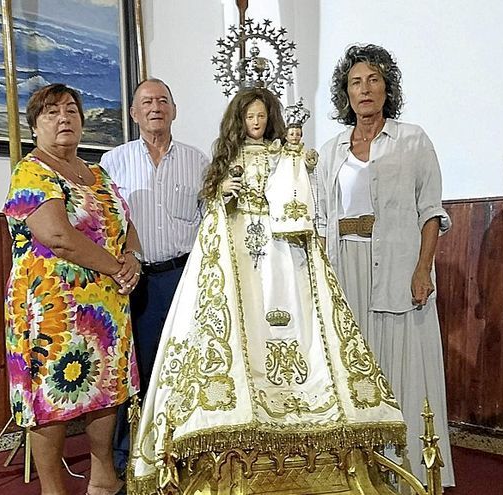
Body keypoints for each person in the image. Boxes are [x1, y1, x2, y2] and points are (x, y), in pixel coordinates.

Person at [127, 87, 406, 494]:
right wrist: (223, 194)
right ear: (238, 121)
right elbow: (214, 202)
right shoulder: (226, 158)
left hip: (282, 249)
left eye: (262, 116)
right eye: (249, 117)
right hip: (240, 251)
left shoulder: (278, 153)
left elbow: (299, 177)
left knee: (293, 317)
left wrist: (294, 152)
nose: (256, 123)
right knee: (241, 325)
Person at [316, 44, 456, 487]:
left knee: (401, 368)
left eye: (373, 79)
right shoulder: (330, 149)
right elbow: (321, 219)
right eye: (356, 82)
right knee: (354, 369)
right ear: (347, 93)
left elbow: (430, 211)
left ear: (387, 87)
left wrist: (422, 269)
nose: (365, 89)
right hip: (345, 266)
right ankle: (360, 472)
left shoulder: (412, 139)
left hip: (397, 266)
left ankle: (409, 472)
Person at [2, 83, 139, 495]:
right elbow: (57, 235)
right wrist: (117, 267)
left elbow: (125, 224)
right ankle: (53, 489)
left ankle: (103, 479)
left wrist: (132, 258)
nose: (64, 119)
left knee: (106, 388)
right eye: (52, 113)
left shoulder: (97, 172)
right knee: (52, 397)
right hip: (51, 307)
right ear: (35, 126)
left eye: (71, 112)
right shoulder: (31, 172)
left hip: (105, 306)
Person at [99, 78, 208, 471]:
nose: (155, 107)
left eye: (163, 100)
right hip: (134, 282)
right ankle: (131, 458)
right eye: (146, 102)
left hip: (185, 278)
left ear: (175, 110)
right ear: (133, 114)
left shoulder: (198, 161)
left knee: (186, 365)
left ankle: (186, 450)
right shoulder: (112, 163)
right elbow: (106, 224)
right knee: (135, 370)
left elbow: (209, 221)